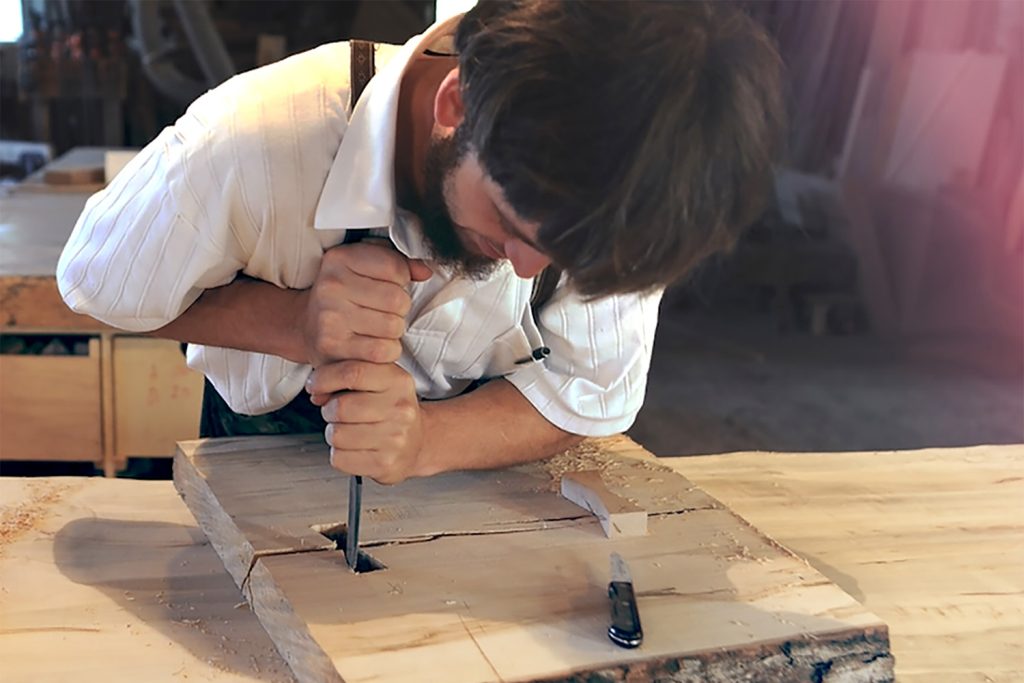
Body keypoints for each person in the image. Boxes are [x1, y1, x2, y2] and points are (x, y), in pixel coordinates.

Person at [57, 1, 783, 484]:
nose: (528, 268)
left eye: (564, 260)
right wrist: (291, 321)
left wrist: (424, 442)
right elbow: (96, 288)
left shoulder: (621, 184)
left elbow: (590, 386)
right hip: (256, 460)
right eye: (509, 222)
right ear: (456, 103)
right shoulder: (251, 141)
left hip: (480, 487)